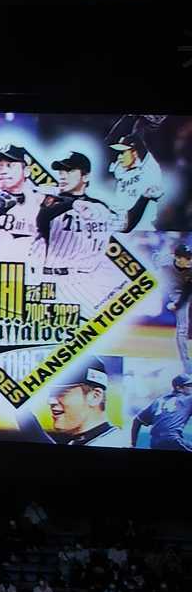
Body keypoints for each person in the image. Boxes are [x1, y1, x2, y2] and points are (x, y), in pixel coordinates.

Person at [28, 152, 128, 316]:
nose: (62, 175)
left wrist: (145, 199)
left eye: (69, 170)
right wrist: (73, 203)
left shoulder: (100, 206)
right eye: (60, 171)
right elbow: (42, 217)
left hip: (88, 281)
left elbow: (125, 226)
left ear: (85, 176)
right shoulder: (48, 201)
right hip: (50, 280)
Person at [17, 357, 128, 447]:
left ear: (95, 397)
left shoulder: (117, 443)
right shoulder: (79, 441)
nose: (50, 401)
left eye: (62, 392)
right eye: (51, 393)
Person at [104, 114, 166, 232]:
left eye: (123, 152)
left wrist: (140, 122)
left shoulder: (149, 167)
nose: (120, 157)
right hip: (122, 222)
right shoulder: (120, 167)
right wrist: (128, 117)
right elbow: (110, 142)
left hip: (143, 227)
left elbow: (137, 139)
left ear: (135, 153)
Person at [131, 373, 192, 450]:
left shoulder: (158, 401)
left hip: (155, 443)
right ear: (179, 388)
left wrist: (133, 444)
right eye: (190, 385)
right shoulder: (189, 399)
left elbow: (136, 421)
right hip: (173, 440)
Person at [158, 244, 192, 372]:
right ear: (177, 258)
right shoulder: (164, 261)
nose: (190, 260)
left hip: (186, 292)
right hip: (176, 292)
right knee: (182, 328)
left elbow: (187, 290)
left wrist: (177, 305)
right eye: (187, 258)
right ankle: (187, 365)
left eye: (191, 257)